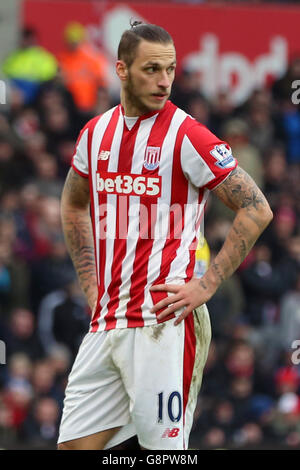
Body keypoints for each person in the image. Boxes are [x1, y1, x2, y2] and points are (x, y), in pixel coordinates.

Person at [57, 21, 273, 451]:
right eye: (152, 69)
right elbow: (73, 203)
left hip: (165, 323)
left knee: (161, 456)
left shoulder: (187, 135)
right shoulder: (95, 134)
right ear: (121, 70)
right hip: (107, 322)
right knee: (73, 447)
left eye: (170, 69)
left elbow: (257, 208)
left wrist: (207, 284)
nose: (164, 81)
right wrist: (90, 282)